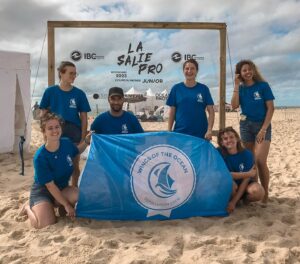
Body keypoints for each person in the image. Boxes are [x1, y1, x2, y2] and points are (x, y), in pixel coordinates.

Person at [19, 112, 91, 229]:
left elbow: (77, 150)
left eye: (57, 127)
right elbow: (50, 186)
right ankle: (28, 207)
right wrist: (67, 205)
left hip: (62, 188)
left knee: (78, 195)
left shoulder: (66, 143)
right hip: (43, 192)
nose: (54, 131)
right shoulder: (40, 157)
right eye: (50, 128)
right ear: (44, 132)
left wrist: (87, 141)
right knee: (44, 224)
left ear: (61, 128)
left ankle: (57, 205)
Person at [39, 61, 91, 187]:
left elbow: (84, 117)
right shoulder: (50, 91)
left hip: (74, 132)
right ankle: (58, 195)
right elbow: (43, 115)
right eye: (71, 73)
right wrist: (45, 135)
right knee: (56, 165)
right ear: (61, 73)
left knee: (73, 166)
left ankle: (73, 191)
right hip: (55, 131)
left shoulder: (79, 93)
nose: (74, 76)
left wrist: (83, 137)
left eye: (75, 73)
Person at [231, 59, 275, 203]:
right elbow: (234, 105)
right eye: (244, 70)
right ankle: (256, 191)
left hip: (262, 126)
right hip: (246, 126)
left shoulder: (263, 86)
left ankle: (265, 192)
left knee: (261, 160)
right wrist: (236, 85)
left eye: (250, 69)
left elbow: (270, 108)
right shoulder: (241, 88)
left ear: (254, 70)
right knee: (251, 162)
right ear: (240, 73)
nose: (248, 72)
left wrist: (263, 129)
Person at [217, 127, 265, 213]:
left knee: (259, 192)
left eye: (231, 137)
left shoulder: (247, 154)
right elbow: (227, 175)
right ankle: (234, 199)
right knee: (230, 184)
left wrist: (233, 202)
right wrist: (248, 174)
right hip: (231, 186)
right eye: (225, 139)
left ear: (237, 138)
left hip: (245, 186)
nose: (229, 140)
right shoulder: (219, 153)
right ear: (222, 143)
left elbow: (246, 180)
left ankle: (243, 200)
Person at [166, 59, 215, 140]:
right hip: (180, 133)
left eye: (192, 68)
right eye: (187, 68)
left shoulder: (204, 89)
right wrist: (169, 130)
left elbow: (211, 111)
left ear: (196, 71)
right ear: (183, 70)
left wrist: (209, 130)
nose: (189, 71)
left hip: (201, 134)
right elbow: (172, 111)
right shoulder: (176, 88)